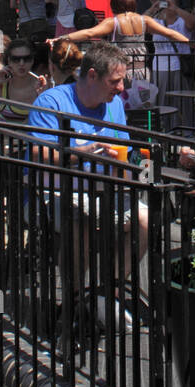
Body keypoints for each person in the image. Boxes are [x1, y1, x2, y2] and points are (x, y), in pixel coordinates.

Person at [27, 42, 148, 329]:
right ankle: (75, 298)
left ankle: (108, 290)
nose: (121, 88)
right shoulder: (52, 102)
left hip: (106, 188)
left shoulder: (115, 105)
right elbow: (35, 153)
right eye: (115, 81)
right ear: (92, 75)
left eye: (122, 81)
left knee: (146, 219)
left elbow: (123, 149)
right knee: (79, 220)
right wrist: (79, 153)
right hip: (59, 191)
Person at [64, 0, 189, 86]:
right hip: (142, 73)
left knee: (122, 108)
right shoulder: (144, 20)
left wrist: (63, 38)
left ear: (114, 4)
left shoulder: (113, 22)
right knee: (142, 109)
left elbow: (89, 33)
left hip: (119, 73)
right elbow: (170, 33)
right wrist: (191, 43)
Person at [144, 0, 194, 128]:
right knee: (161, 100)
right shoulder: (157, 23)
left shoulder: (181, 21)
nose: (168, 7)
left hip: (178, 67)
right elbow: (141, 23)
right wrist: (153, 8)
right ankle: (162, 128)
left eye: (171, 4)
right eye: (166, 4)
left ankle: (181, 127)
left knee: (179, 100)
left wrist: (176, 9)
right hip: (159, 67)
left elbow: (193, 23)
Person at [0, 39, 48, 125]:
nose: (21, 63)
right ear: (9, 61)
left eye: (26, 59)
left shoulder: (42, 86)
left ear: (32, 60)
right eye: (16, 59)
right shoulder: (2, 85)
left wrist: (42, 97)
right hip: (4, 138)